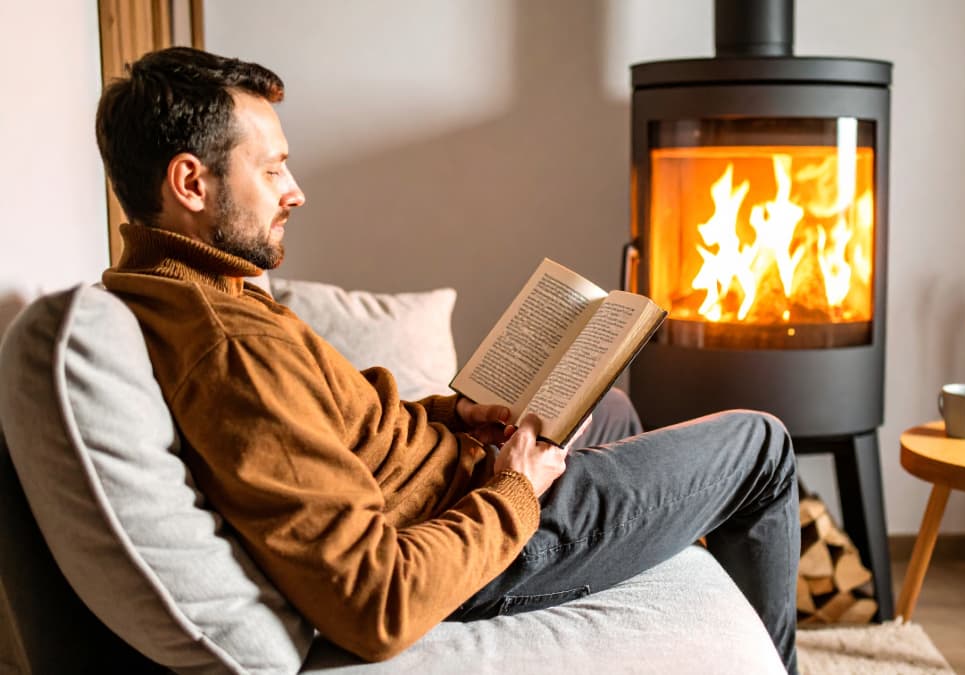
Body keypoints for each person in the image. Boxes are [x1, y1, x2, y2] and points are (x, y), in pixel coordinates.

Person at [96, 47, 803, 673]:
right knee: (762, 444)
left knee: (607, 404)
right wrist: (515, 489)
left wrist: (453, 415)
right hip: (476, 542)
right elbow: (374, 601)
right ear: (191, 184)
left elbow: (339, 427)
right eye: (274, 167)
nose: (295, 190)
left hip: (459, 476)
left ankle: (649, 541)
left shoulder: (199, 289)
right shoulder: (230, 350)